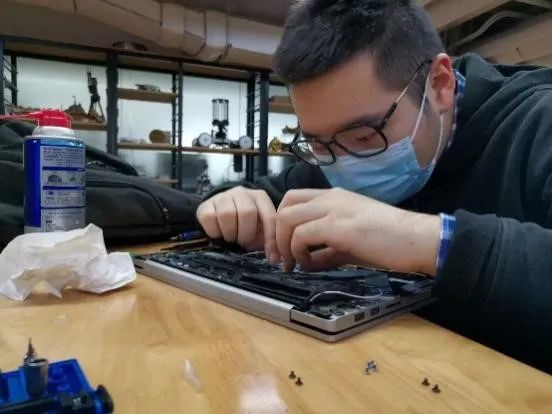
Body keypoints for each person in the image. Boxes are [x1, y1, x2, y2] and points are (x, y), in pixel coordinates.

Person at [196, 0, 552, 372]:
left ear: (440, 85)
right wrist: (230, 204)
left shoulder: (538, 124)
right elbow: (265, 196)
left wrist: (421, 240)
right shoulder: (332, 154)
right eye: (318, 143)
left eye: (365, 136)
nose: (343, 165)